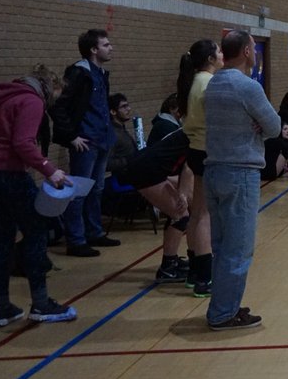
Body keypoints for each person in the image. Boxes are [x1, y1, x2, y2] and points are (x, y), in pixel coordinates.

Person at [0, 65, 77, 326]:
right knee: (36, 232)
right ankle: (41, 304)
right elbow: (23, 143)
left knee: (3, 239)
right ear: (51, 87)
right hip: (9, 173)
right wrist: (50, 170)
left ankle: (3, 308)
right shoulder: (31, 101)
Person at [202, 30, 281, 331]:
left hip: (214, 170)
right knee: (238, 249)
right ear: (248, 51)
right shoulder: (248, 86)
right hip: (240, 173)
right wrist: (256, 124)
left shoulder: (213, 84)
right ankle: (223, 314)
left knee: (222, 247)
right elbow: (274, 127)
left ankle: (224, 305)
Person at [50, 29, 120, 257]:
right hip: (85, 141)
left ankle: (94, 232)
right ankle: (76, 240)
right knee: (79, 191)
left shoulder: (101, 73)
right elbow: (57, 105)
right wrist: (71, 136)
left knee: (97, 189)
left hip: (102, 139)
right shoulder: (78, 73)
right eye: (106, 45)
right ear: (93, 49)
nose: (111, 48)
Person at [107, 94, 190, 284]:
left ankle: (171, 260)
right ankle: (167, 268)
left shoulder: (190, 130)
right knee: (181, 215)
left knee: (179, 213)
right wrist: (182, 194)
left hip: (151, 169)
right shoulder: (197, 135)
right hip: (145, 171)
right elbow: (188, 168)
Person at [177, 39, 221, 297]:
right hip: (206, 150)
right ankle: (205, 277)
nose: (222, 54)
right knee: (205, 215)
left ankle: (194, 272)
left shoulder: (194, 81)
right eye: (219, 51)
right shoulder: (208, 83)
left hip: (195, 149)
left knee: (197, 213)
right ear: (211, 59)